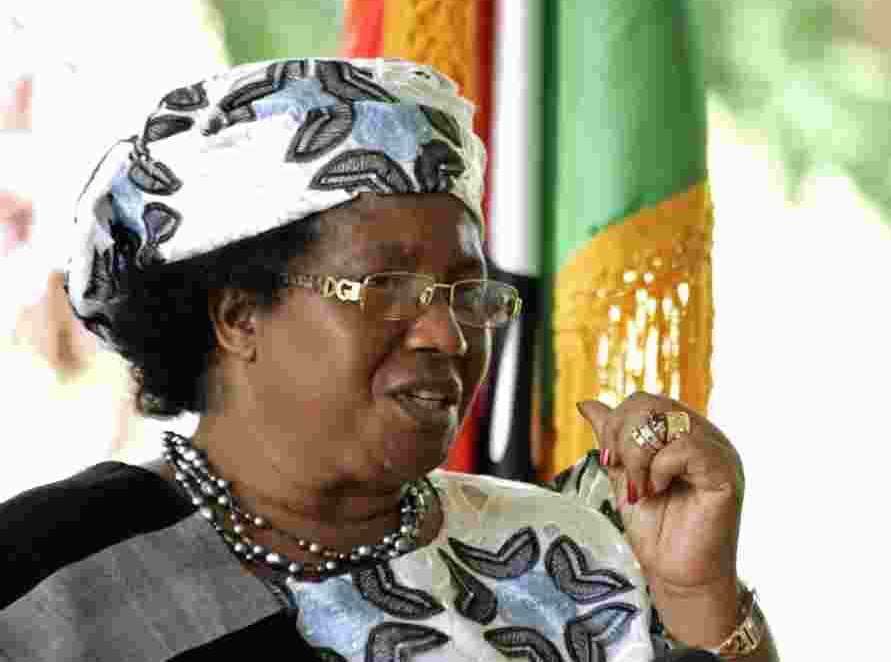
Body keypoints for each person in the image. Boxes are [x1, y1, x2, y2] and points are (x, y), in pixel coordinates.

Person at [0, 57, 778, 661]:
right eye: (389, 287)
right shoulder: (48, 576)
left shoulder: (567, 552)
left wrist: (695, 590)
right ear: (239, 315)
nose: (448, 335)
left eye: (468, 292)